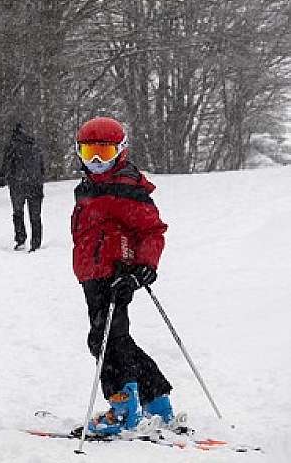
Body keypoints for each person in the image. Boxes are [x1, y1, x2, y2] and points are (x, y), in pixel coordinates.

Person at [71, 116, 174, 436]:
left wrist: (144, 267)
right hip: (92, 274)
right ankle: (156, 401)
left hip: (117, 276)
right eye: (90, 153)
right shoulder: (87, 187)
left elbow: (153, 232)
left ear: (121, 151)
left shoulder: (128, 191)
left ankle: (123, 409)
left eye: (105, 151)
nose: (98, 161)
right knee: (116, 339)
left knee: (104, 340)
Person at [0, 122, 45, 251]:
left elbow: (6, 162)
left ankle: (21, 239)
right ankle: (36, 242)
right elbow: (42, 166)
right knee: (35, 215)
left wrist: (2, 177)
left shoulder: (13, 145)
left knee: (18, 213)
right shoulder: (35, 145)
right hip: (35, 184)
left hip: (18, 184)